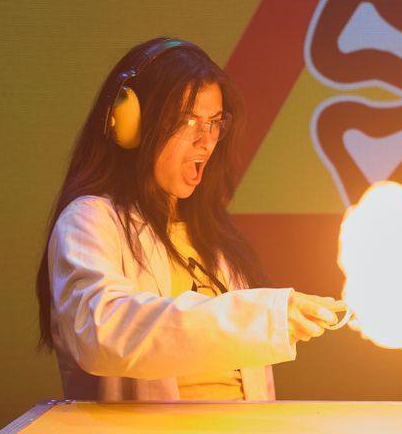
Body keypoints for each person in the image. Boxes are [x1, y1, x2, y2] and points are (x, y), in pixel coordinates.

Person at [35, 38, 342, 401]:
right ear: (132, 124)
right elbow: (103, 331)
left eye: (214, 122)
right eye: (187, 121)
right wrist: (264, 316)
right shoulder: (89, 221)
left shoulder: (216, 238)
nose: (206, 141)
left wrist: (276, 317)